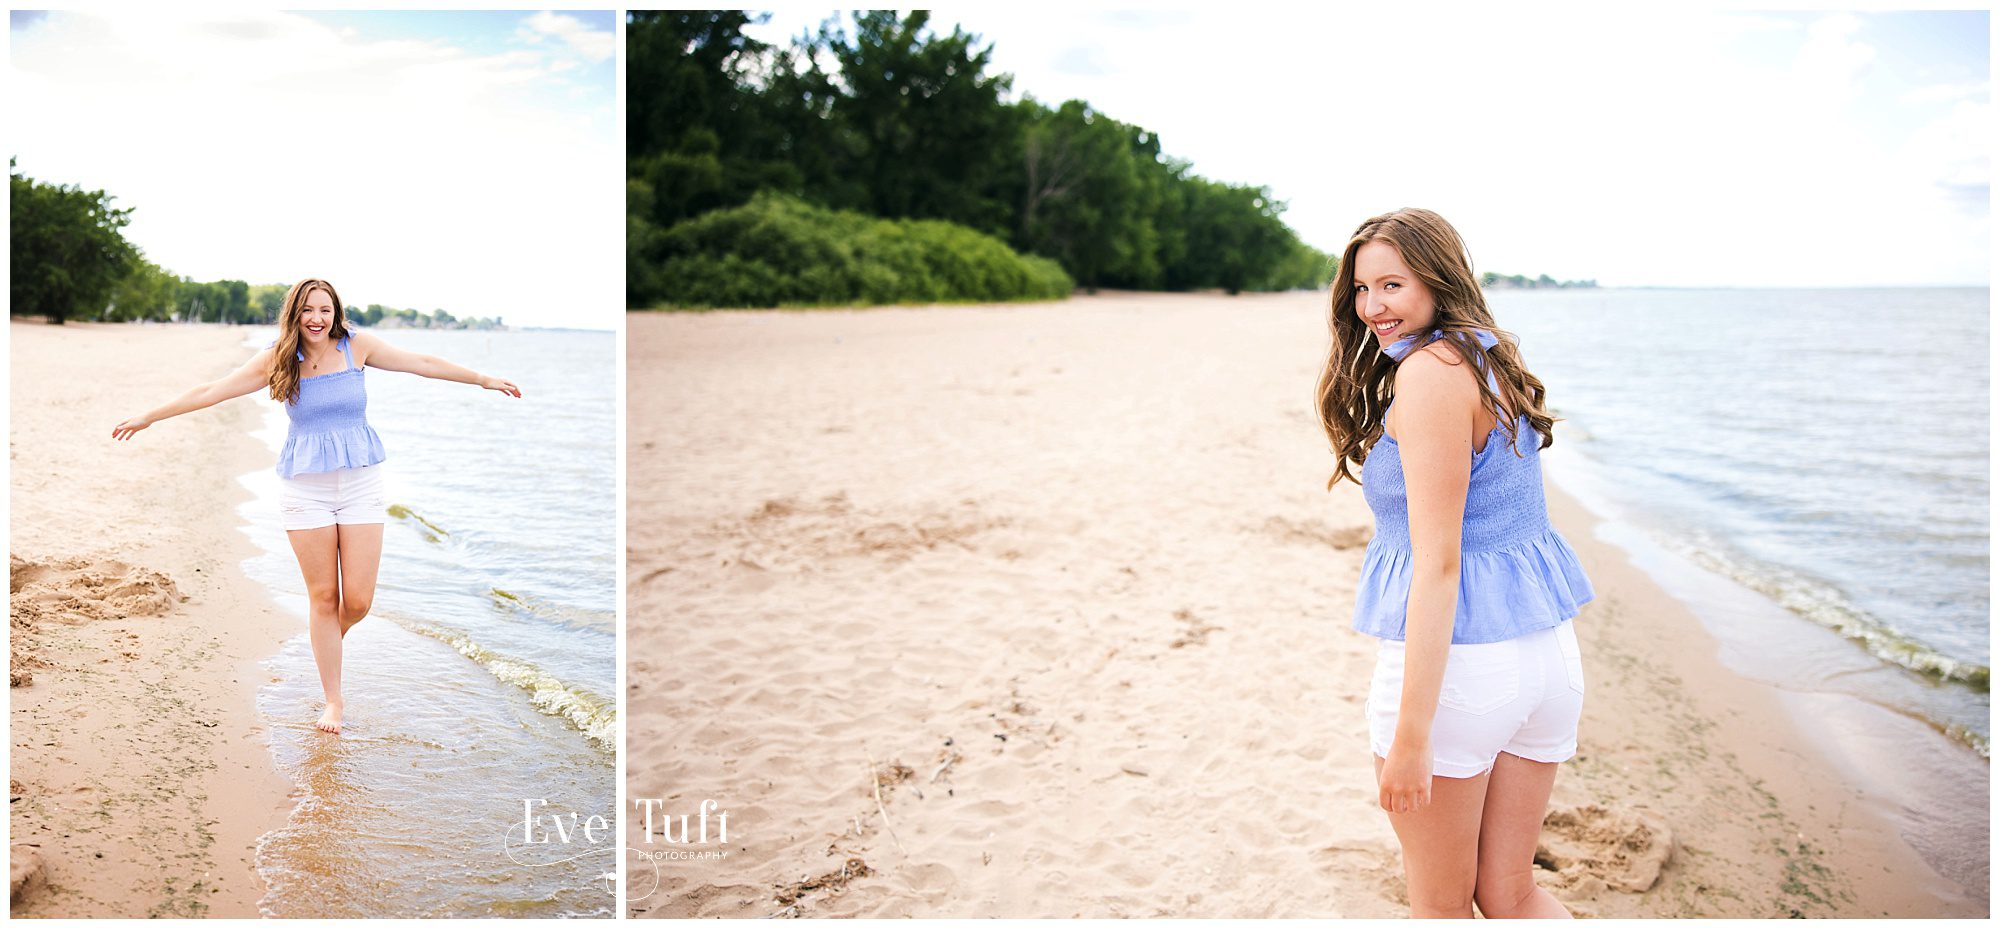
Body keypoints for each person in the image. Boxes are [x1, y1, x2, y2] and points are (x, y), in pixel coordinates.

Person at [1315, 209, 1595, 918]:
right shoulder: (1483, 354)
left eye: (1393, 284)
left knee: (1440, 907)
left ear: (1437, 280)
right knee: (1513, 891)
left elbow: (1439, 565)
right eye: (1361, 287)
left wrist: (1413, 737)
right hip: (1546, 658)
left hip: (1466, 674)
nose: (1373, 306)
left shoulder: (1431, 376)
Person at [112, 277, 521, 734]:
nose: (317, 318)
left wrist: (482, 378)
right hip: (305, 491)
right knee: (324, 597)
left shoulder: (357, 346)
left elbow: (420, 362)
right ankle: (333, 701)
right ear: (295, 313)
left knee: (359, 601)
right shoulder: (278, 359)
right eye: (308, 310)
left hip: (361, 484)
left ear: (336, 312)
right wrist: (149, 416)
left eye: (325, 309)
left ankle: (325, 641)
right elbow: (213, 390)